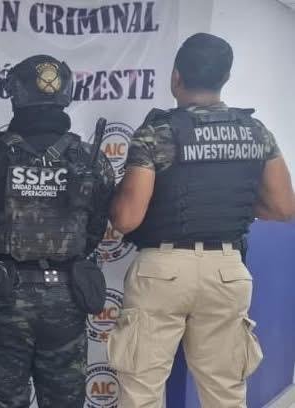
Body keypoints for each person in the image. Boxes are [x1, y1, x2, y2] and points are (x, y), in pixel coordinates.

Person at [108, 32, 295, 408]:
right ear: (226, 77)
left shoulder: (157, 133)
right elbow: (284, 207)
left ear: (176, 76)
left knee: (141, 391)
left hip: (162, 271)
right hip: (226, 270)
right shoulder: (255, 132)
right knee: (225, 392)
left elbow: (127, 219)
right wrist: (230, 205)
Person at [0, 55, 115, 407]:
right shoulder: (92, 160)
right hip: (67, 298)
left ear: (15, 95)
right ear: (66, 95)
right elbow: (95, 229)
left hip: (3, 297)